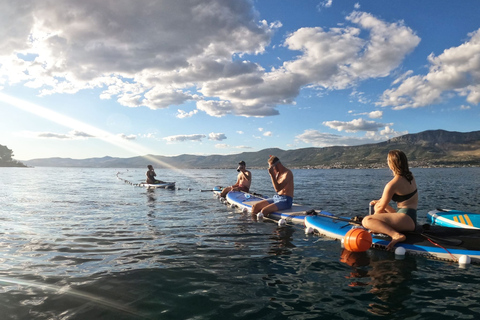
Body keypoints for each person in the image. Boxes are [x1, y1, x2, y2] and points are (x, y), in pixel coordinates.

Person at [362, 150, 418, 250]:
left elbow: (379, 209)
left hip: (405, 219)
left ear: (391, 164)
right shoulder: (410, 176)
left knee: (366, 220)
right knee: (378, 204)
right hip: (410, 217)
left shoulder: (392, 184)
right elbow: (382, 203)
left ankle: (396, 235)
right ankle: (387, 229)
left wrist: (374, 225)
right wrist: (378, 203)